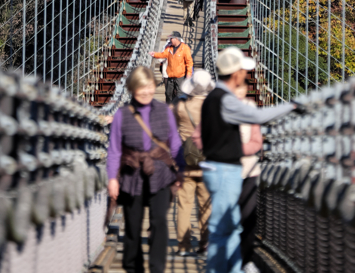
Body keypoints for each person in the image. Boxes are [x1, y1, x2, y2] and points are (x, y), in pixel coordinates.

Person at [199, 47, 299, 273]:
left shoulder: (213, 98)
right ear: (235, 73)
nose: (245, 74)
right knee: (222, 228)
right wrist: (292, 106)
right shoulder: (224, 99)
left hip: (221, 169)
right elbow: (257, 116)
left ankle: (235, 269)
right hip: (224, 171)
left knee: (232, 227)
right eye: (243, 70)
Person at [107, 66, 184, 273]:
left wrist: (181, 170)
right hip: (132, 176)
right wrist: (112, 179)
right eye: (142, 87)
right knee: (133, 226)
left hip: (161, 174)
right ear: (132, 88)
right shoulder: (122, 115)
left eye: (150, 87)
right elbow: (114, 151)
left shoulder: (164, 112)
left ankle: (157, 268)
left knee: (159, 222)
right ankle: (134, 268)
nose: (147, 91)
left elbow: (175, 143)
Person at [174, 70, 214, 256]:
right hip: (208, 164)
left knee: (184, 205)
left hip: (185, 162)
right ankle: (205, 245)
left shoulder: (180, 106)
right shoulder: (214, 107)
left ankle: (183, 246)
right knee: (206, 206)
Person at [232, 83, 264, 267]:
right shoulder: (217, 107)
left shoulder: (250, 109)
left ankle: (246, 259)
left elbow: (257, 140)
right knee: (229, 216)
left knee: (249, 214)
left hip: (249, 169)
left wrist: (235, 149)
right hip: (226, 169)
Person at [150, 32, 193, 102]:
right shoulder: (169, 48)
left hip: (180, 76)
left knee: (179, 94)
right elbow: (163, 54)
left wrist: (188, 75)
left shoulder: (185, 48)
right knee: (168, 93)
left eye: (171, 38)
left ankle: (179, 109)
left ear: (176, 39)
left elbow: (189, 63)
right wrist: (154, 54)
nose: (170, 40)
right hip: (170, 76)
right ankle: (169, 108)